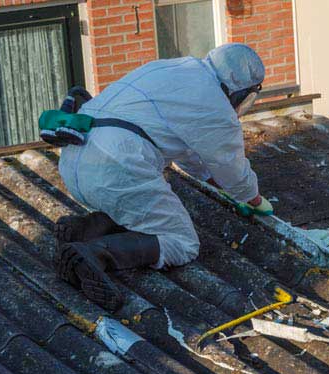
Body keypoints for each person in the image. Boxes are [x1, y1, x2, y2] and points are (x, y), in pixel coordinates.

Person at [53, 43, 272, 311]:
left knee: (142, 208)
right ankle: (95, 254)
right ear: (242, 92)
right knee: (182, 243)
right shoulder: (214, 106)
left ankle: (88, 228)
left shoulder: (172, 68)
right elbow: (230, 166)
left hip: (75, 160)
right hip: (116, 168)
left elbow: (191, 154)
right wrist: (254, 199)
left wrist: (218, 185)